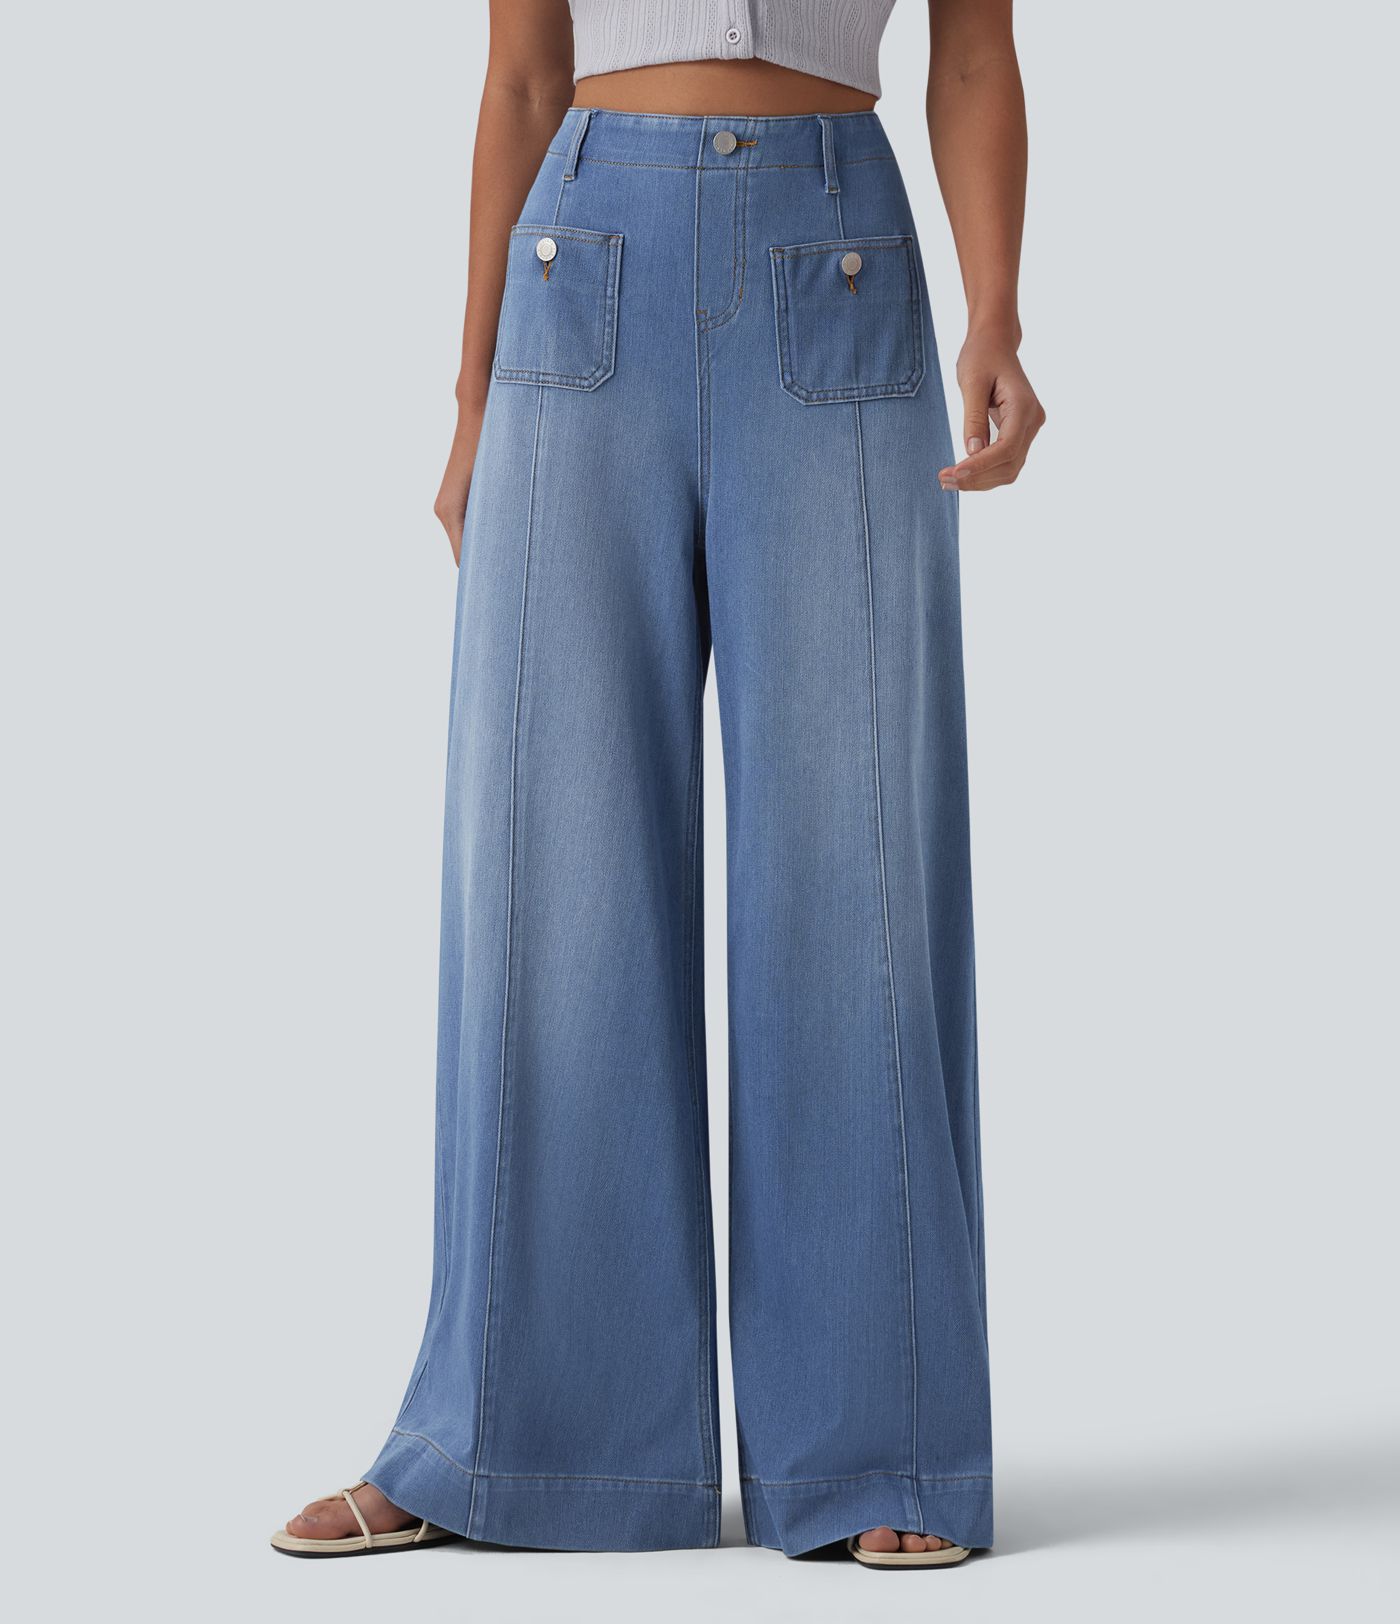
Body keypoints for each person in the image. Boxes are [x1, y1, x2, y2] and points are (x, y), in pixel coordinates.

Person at [273, 0, 1043, 1570]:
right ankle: (509, 1442)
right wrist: (472, 399)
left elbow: (972, 50)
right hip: (582, 273)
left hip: (838, 257)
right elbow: (521, 74)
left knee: (855, 871)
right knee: (549, 875)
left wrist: (998, 317)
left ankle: (881, 1442)